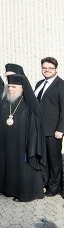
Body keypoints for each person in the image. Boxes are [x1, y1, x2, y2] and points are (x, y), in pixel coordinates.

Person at [0, 74, 46, 202]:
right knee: (8, 164)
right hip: (6, 140)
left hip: (22, 142)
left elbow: (34, 125)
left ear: (22, 88)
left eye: (14, 87)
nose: (10, 89)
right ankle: (8, 189)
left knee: (21, 168)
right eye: (9, 86)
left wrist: (29, 143)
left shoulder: (29, 103)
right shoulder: (5, 101)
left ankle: (24, 194)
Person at [35, 57, 64, 197]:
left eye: (50, 68)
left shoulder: (61, 85)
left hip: (54, 130)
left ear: (56, 69)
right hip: (40, 129)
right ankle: (45, 182)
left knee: (54, 160)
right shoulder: (39, 84)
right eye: (44, 68)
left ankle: (55, 187)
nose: (46, 70)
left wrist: (61, 129)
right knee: (43, 158)